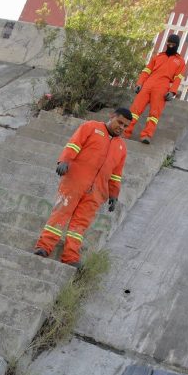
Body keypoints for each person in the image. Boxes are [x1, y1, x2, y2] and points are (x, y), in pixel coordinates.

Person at [34, 108, 129, 266]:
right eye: (120, 122)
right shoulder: (91, 127)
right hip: (75, 181)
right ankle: (44, 247)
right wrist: (64, 160)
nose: (122, 127)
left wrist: (114, 195)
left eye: (125, 126)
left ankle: (70, 257)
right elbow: (74, 145)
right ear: (112, 116)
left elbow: (116, 175)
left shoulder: (122, 147)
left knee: (80, 224)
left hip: (97, 191)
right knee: (61, 213)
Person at [123, 34, 187, 144]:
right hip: (148, 83)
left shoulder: (180, 61)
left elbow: (178, 78)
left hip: (163, 87)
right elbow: (147, 71)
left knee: (154, 114)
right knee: (135, 110)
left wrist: (172, 91)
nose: (170, 45)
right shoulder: (158, 56)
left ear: (177, 45)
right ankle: (125, 132)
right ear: (166, 42)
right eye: (169, 43)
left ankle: (146, 135)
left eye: (173, 44)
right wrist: (139, 83)